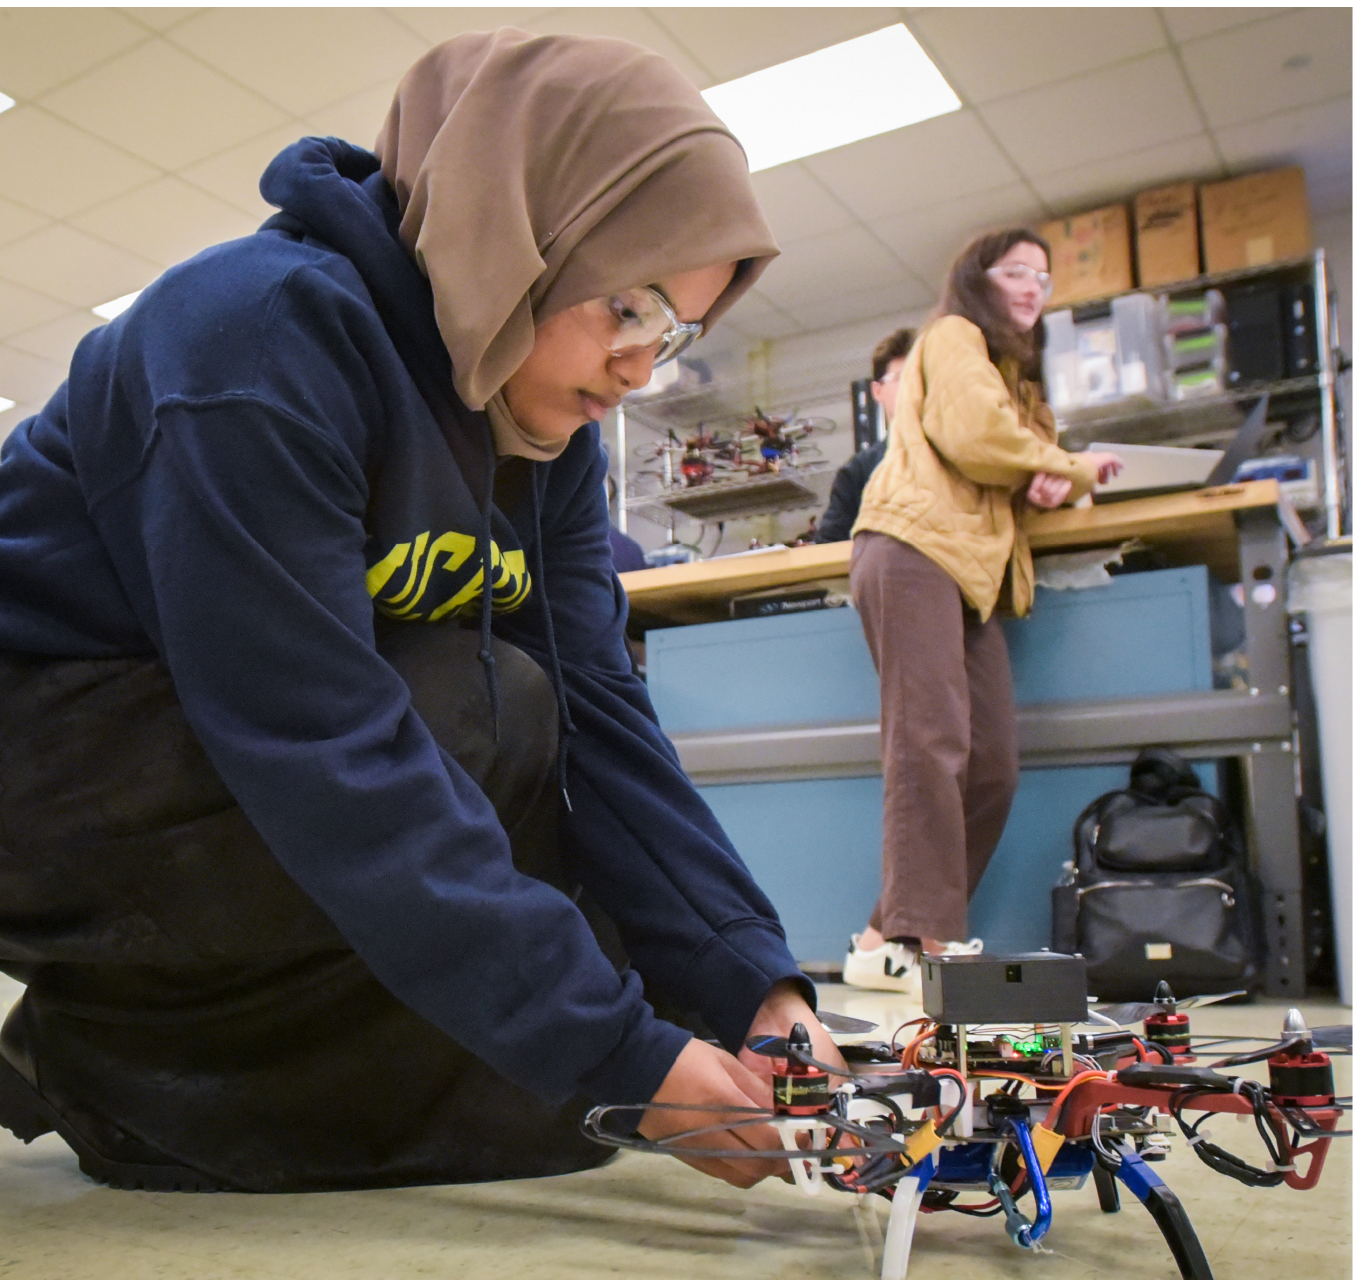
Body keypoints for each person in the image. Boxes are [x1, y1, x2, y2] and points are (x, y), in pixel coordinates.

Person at [0, 30, 845, 1195]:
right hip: (40, 749)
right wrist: (617, 1055)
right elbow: (320, 741)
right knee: (464, 716)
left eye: (677, 329)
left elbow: (604, 717)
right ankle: (126, 1065)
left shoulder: (541, 437)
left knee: (537, 765)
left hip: (195, 757)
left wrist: (752, 980)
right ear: (520, 233)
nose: (643, 364)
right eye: (631, 304)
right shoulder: (253, 341)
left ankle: (169, 1049)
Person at [842, 229, 1122, 993]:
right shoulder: (953, 335)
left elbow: (1004, 454)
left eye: (1043, 276)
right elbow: (971, 435)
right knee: (928, 743)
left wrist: (1043, 479)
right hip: (910, 547)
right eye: (1015, 272)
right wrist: (1064, 466)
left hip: (968, 569)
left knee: (992, 764)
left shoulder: (1015, 376)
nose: (1033, 287)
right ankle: (927, 945)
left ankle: (877, 941)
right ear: (977, 279)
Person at [815, 327, 914, 543]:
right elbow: (828, 546)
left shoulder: (954, 453)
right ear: (877, 391)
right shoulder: (858, 473)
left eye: (920, 376)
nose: (914, 386)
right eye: (901, 377)